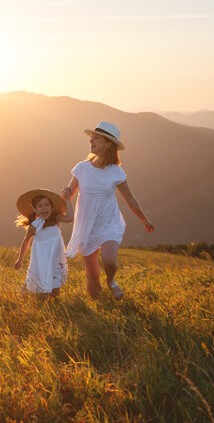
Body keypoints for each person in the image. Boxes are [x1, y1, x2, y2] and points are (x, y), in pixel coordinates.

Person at [62, 121, 155, 300]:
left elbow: (130, 199)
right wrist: (61, 201)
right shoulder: (81, 168)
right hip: (86, 225)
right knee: (92, 276)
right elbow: (69, 195)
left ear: (108, 144)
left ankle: (111, 281)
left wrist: (144, 219)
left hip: (109, 222)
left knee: (109, 261)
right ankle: (99, 307)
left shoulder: (116, 172)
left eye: (96, 138)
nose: (91, 141)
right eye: (91, 138)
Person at [13, 189, 73, 300]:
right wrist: (20, 259)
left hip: (55, 258)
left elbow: (70, 218)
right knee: (43, 293)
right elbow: (26, 242)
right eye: (40, 206)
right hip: (42, 260)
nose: (44, 208)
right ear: (35, 209)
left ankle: (54, 307)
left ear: (52, 207)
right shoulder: (34, 226)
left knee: (55, 291)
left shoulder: (56, 219)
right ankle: (28, 290)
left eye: (47, 205)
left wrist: (68, 199)